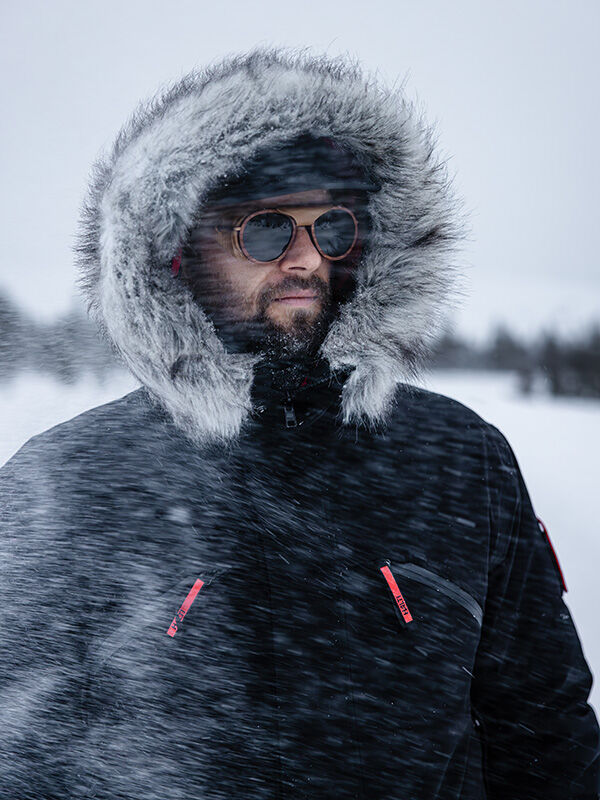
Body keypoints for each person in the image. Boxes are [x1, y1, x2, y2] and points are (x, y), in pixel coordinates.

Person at [0, 47, 598, 800]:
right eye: (266, 231)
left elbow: (545, 731)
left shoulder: (462, 460)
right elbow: (19, 751)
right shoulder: (69, 480)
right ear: (179, 255)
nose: (308, 260)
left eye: (335, 229)